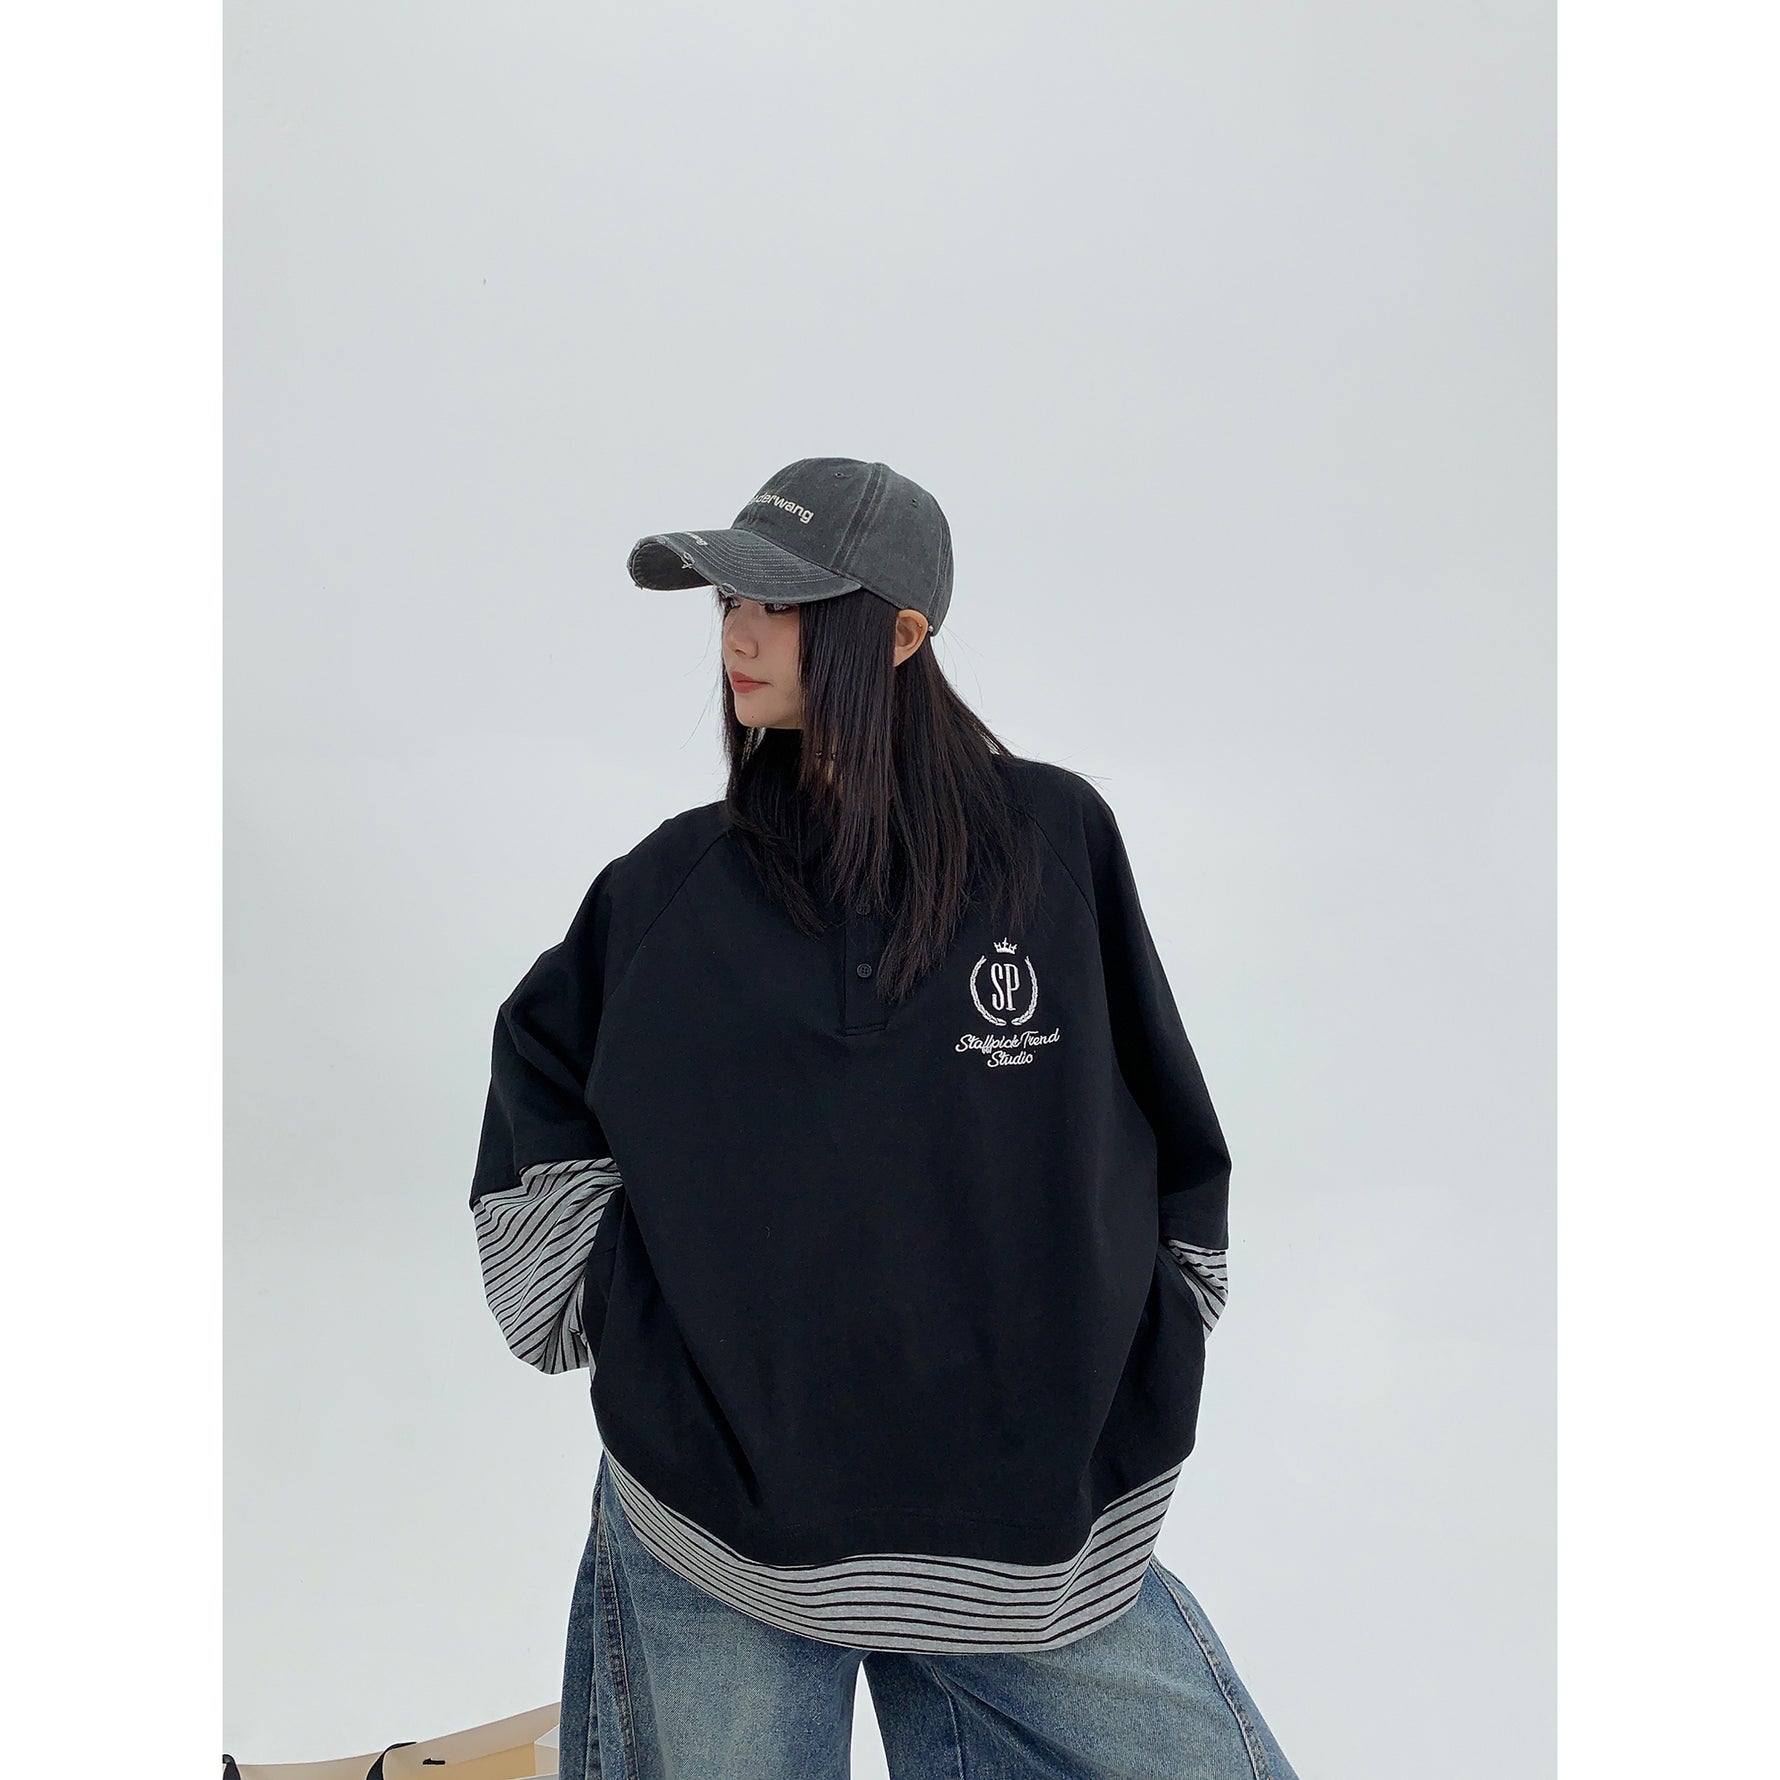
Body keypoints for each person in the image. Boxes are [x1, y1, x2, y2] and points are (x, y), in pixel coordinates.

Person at [470, 457, 1299, 1778]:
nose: (739, 636)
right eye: (730, 601)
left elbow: (1166, 1115)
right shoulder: (675, 883)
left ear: (903, 635)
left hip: (1032, 1519)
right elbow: (540, 1066)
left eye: (783, 605)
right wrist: (609, 1302)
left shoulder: (1055, 841)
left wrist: (1159, 1319)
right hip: (718, 1511)